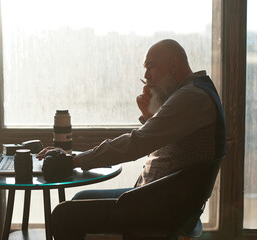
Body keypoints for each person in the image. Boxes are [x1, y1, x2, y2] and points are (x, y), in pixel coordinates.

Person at [37, 39, 226, 239]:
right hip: (161, 200)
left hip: (160, 209)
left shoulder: (192, 97)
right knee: (79, 200)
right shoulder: (195, 92)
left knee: (64, 215)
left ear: (173, 65)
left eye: (150, 67)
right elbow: (168, 146)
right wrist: (150, 118)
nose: (145, 76)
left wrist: (73, 160)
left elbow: (136, 144)